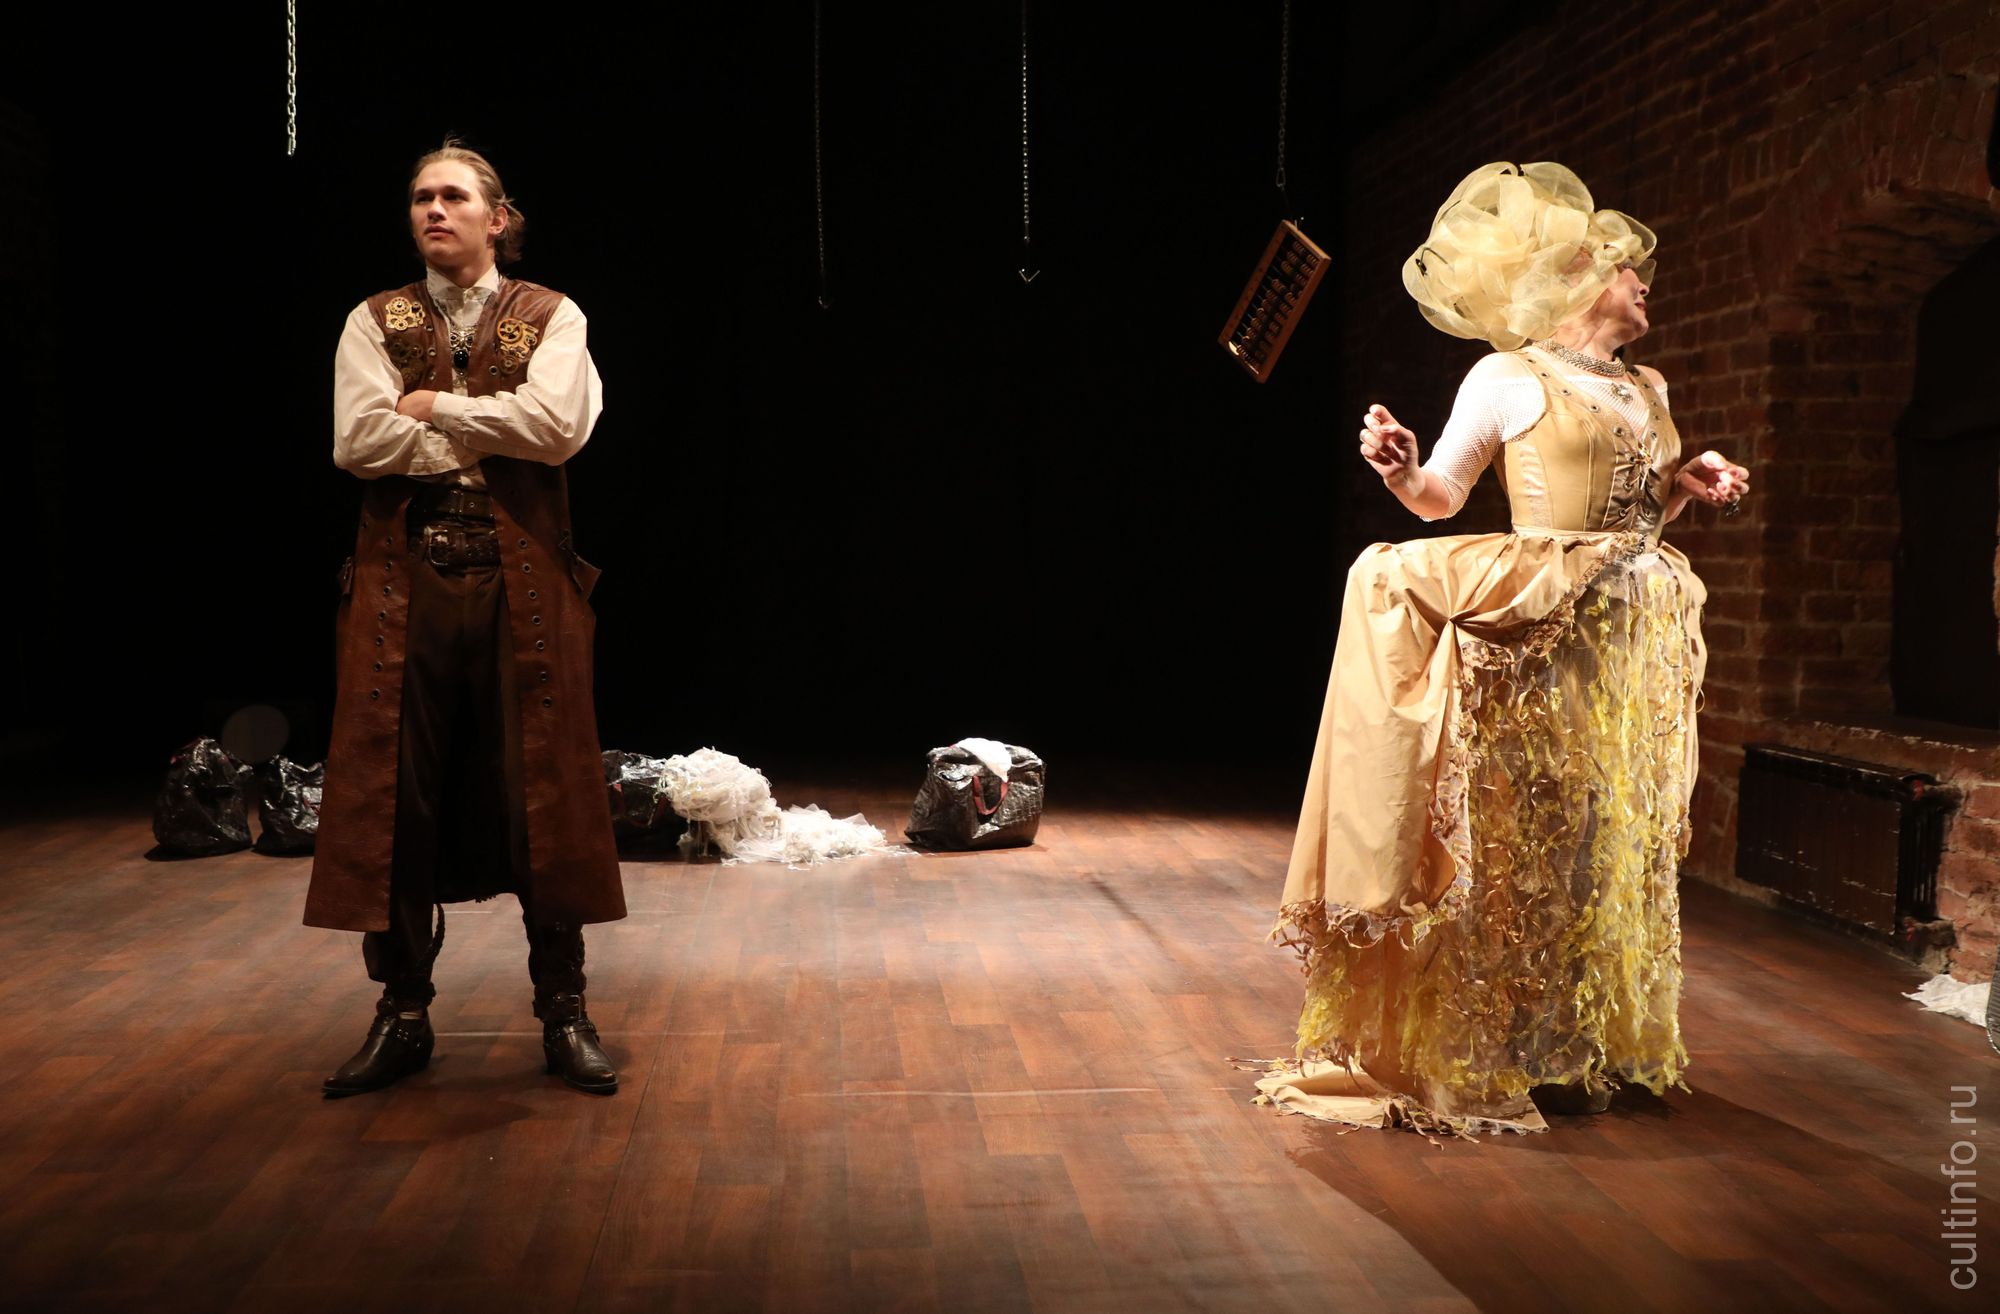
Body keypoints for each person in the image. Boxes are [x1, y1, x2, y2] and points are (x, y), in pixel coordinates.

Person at [1253, 162, 1750, 1138]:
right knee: (1528, 838)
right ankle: (1498, 1046)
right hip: (1536, 638)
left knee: (1607, 842)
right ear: (1576, 279)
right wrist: (1402, 471)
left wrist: (1687, 479)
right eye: (1624, 266)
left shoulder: (1648, 385)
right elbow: (1441, 496)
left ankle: (1581, 1045)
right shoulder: (1507, 377)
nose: (1642, 281)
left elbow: (1637, 513)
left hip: (1629, 637)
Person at [305, 140, 626, 1098]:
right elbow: (358, 441)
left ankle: (563, 1010)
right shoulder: (374, 319)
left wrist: (434, 407)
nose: (434, 210)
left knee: (543, 792)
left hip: (522, 578)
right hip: (402, 579)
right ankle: (402, 1012)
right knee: (394, 796)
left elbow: (557, 430)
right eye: (420, 198)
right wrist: (487, 432)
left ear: (498, 217)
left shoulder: (552, 313)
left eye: (453, 196)